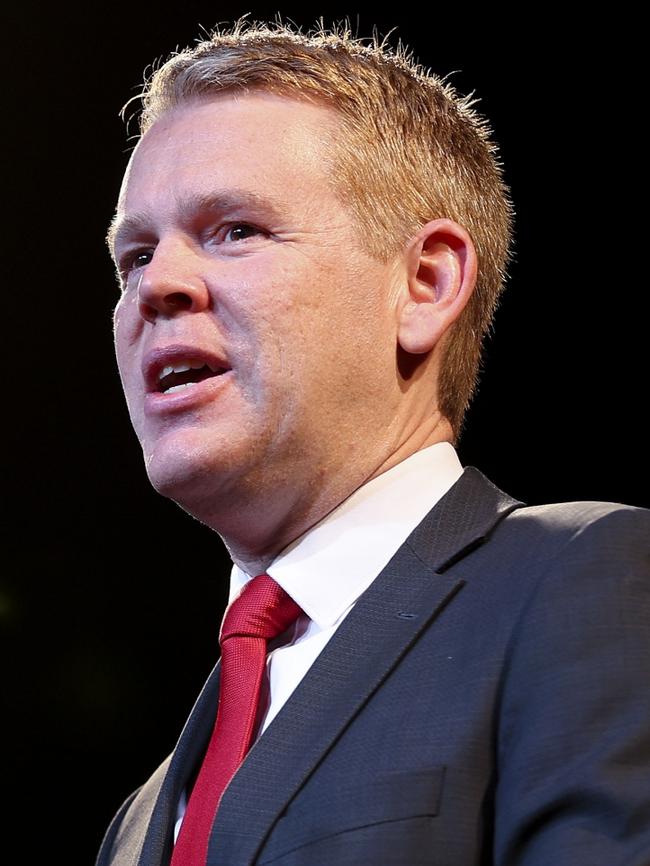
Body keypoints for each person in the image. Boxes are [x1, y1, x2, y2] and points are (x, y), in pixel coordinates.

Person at [97, 20, 650, 866]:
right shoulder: (139, 821)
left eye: (235, 229)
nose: (157, 286)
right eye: (134, 255)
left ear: (425, 284)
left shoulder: (585, 582)